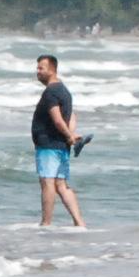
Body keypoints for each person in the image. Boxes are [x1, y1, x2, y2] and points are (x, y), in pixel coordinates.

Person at [31, 53, 84, 229]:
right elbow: (72, 116)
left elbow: (58, 120)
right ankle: (80, 223)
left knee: (47, 183)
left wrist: (69, 136)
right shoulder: (64, 91)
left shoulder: (51, 92)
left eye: (41, 68)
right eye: (37, 68)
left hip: (49, 145)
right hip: (61, 146)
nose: (38, 71)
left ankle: (46, 224)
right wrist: (71, 135)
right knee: (61, 185)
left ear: (52, 70)